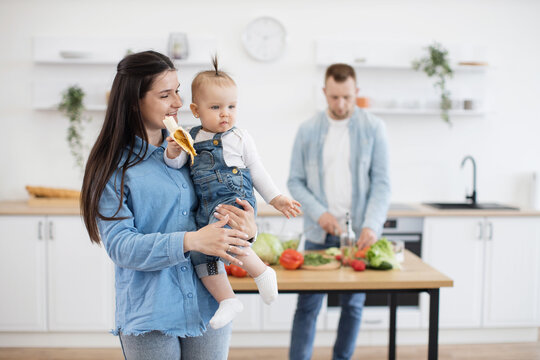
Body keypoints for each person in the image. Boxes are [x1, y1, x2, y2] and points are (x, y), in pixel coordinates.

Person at [80, 50, 258, 360]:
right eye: (166, 94)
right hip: (151, 313)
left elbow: (218, 207)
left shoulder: (194, 149)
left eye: (177, 90)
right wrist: (190, 240)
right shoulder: (112, 168)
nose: (177, 102)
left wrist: (246, 226)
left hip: (208, 305)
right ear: (135, 101)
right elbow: (121, 246)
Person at [164, 56, 301, 329]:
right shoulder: (188, 136)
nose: (225, 113)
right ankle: (227, 299)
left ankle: (261, 272)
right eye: (215, 107)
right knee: (202, 255)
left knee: (230, 238)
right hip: (206, 208)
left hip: (233, 198)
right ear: (196, 109)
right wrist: (173, 151)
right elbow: (177, 164)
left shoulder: (240, 137)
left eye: (231, 106)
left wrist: (276, 198)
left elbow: (257, 170)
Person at [287, 63, 391, 360]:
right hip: (319, 233)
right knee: (308, 306)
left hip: (357, 236)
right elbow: (294, 181)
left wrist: (371, 225)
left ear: (356, 91)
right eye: (334, 97)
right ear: (324, 92)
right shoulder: (307, 130)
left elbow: (382, 184)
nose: (341, 104)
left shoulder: (374, 128)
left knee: (353, 305)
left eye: (347, 97)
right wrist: (320, 213)